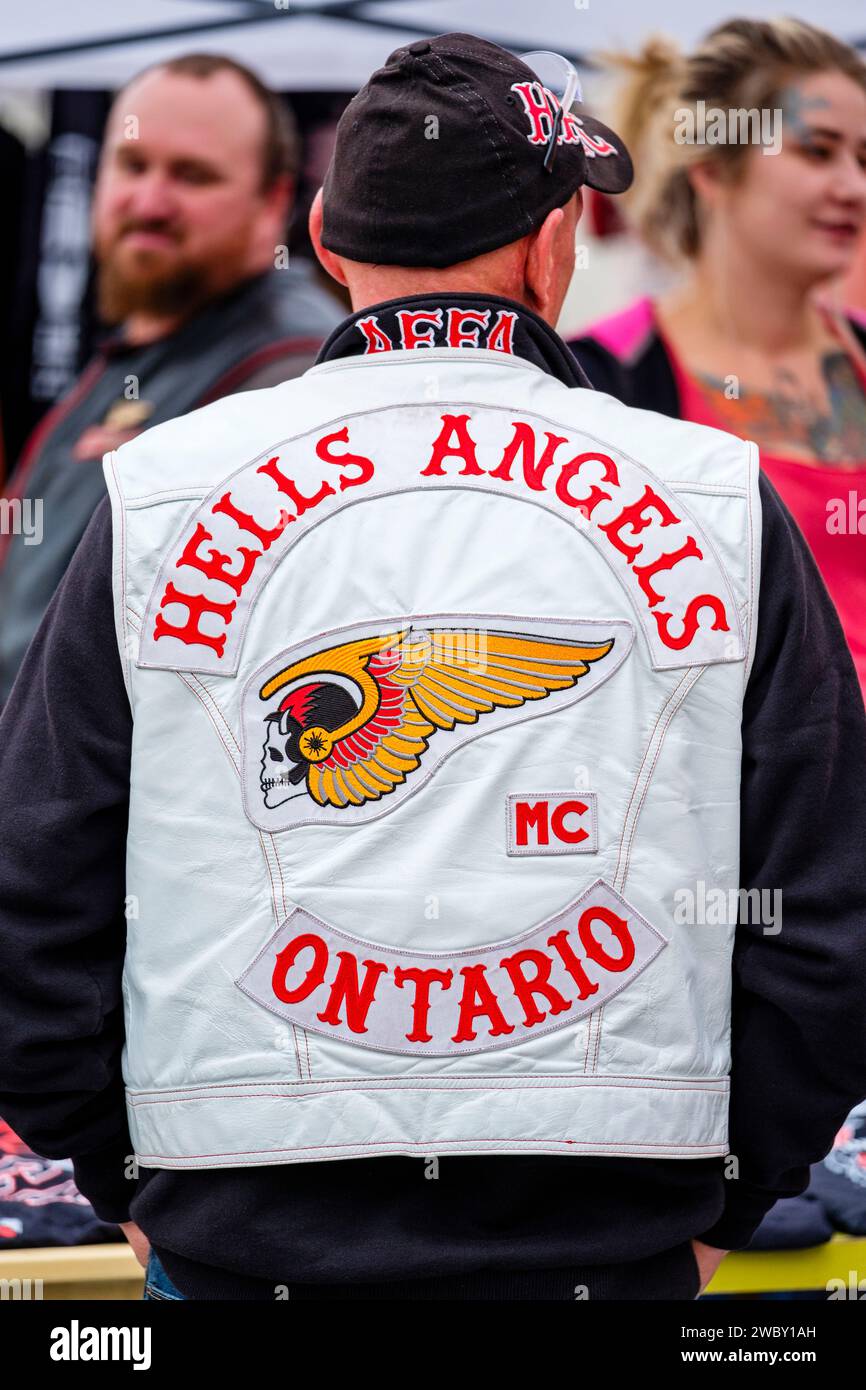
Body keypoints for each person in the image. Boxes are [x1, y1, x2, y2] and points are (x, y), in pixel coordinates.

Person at [1, 31, 866, 1304]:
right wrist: (726, 1205)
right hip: (604, 1243)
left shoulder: (158, 491)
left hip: (246, 1243)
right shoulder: (716, 498)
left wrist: (136, 1183)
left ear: (324, 235)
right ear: (553, 242)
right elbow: (824, 918)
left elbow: (33, 894)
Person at [0, 52, 342, 710]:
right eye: (133, 165)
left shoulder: (288, 375)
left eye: (192, 175)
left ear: (273, 200)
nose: (150, 202)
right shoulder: (150, 336)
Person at [569, 18, 866, 701]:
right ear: (711, 165)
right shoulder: (606, 379)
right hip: (746, 796)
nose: (852, 186)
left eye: (864, 159)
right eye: (818, 152)